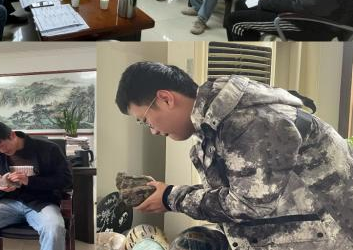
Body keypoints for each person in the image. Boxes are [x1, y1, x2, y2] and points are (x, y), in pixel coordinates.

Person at [115, 61, 353, 250]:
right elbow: (238, 191)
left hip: (333, 238)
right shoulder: (215, 125)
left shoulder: (249, 122)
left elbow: (248, 204)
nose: (153, 130)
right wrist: (166, 194)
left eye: (145, 120)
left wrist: (170, 197)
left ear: (166, 98)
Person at [0, 122, 72, 250]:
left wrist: (30, 181)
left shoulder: (49, 149)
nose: (2, 151)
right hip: (6, 202)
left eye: (2, 146)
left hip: (42, 202)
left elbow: (66, 180)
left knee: (54, 227)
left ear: (12, 135)